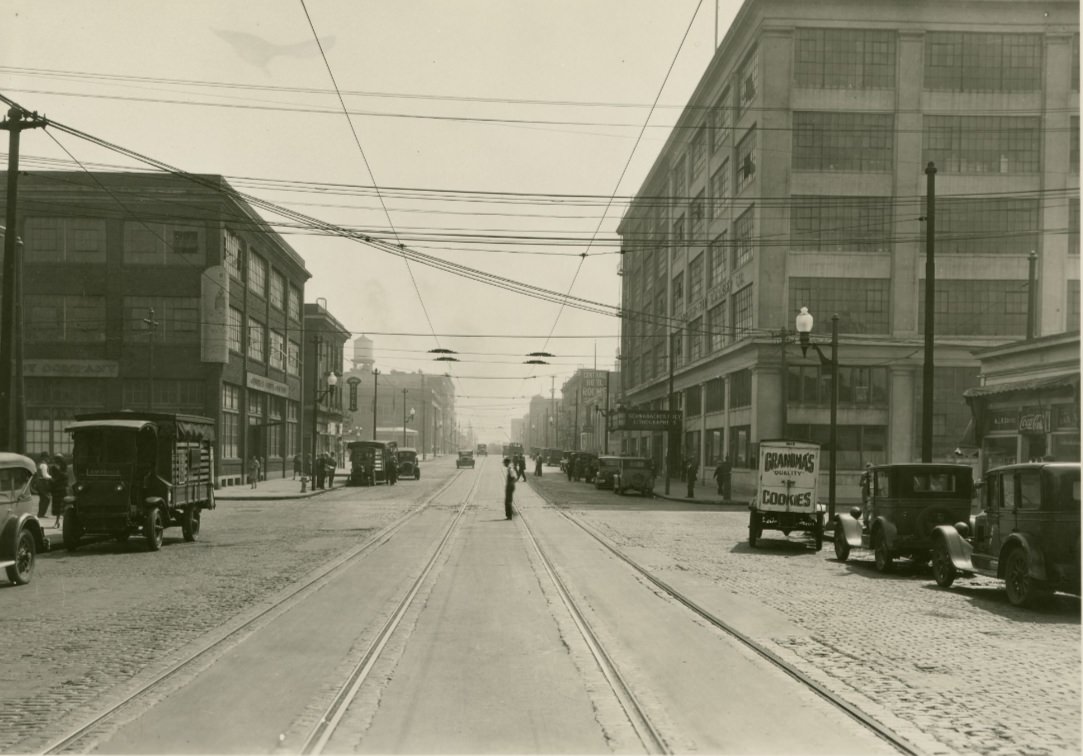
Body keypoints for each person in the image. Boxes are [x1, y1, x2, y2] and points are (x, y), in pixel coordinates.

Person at [49, 455, 69, 529]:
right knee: (57, 508)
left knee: (63, 507)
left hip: (62, 489)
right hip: (56, 489)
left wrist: (59, 474)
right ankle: (57, 522)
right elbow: (53, 477)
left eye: (57, 460)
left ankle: (60, 522)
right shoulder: (54, 468)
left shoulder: (64, 467)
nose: (56, 461)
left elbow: (65, 476)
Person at [35, 452, 53, 518]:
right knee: (46, 498)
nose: (48, 459)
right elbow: (45, 475)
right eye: (47, 457)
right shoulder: (44, 465)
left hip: (39, 482)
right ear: (44, 458)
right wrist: (52, 477)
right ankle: (41, 514)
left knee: (42, 498)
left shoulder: (39, 464)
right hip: (43, 482)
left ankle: (40, 514)